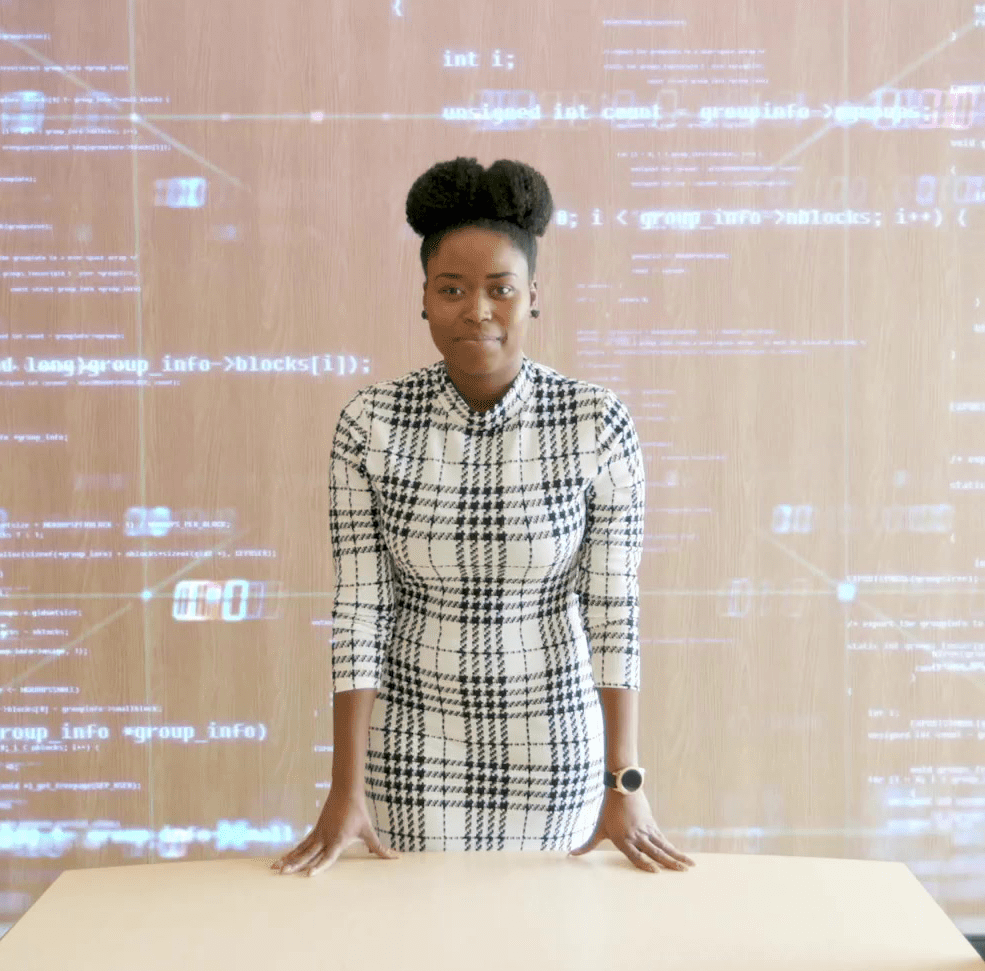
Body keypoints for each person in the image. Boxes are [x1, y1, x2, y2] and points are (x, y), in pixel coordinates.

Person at [274, 157, 694, 876]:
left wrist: (623, 783)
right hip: (412, 743)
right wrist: (344, 789)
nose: (477, 310)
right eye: (453, 289)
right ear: (424, 299)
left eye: (501, 289)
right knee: (419, 945)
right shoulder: (369, 422)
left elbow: (613, 609)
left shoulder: (597, 422)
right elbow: (359, 611)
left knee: (551, 947)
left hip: (554, 742)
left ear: (534, 297)